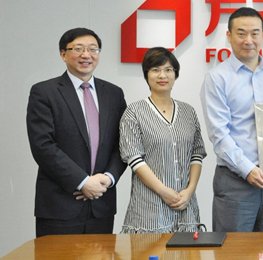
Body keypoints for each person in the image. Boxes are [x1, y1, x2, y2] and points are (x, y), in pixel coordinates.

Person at [27, 28, 127, 237]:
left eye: (93, 49)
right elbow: (43, 146)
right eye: (78, 49)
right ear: (63, 54)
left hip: (101, 204)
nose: (86, 55)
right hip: (59, 205)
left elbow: (123, 144)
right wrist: (82, 181)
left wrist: (108, 178)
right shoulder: (44, 92)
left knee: (101, 259)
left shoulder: (113, 94)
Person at [201, 7, 263, 232]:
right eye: (241, 33)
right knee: (233, 251)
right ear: (229, 36)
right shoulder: (217, 78)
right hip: (235, 182)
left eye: (255, 33)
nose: (248, 40)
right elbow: (219, 135)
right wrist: (248, 169)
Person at [119, 47, 206, 233]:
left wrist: (190, 190)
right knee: (150, 252)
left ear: (175, 74)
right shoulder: (134, 112)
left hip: (185, 205)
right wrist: (163, 191)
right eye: (155, 69)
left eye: (168, 70)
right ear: (146, 74)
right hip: (149, 207)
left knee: (187, 252)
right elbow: (134, 159)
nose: (162, 75)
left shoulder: (188, 112)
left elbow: (196, 155)